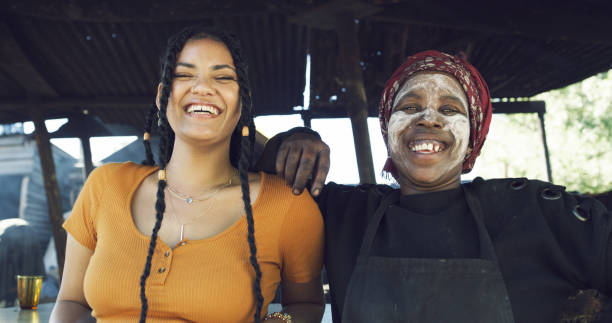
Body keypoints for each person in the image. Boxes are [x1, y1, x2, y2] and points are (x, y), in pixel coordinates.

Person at [265, 50, 612, 322]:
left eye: (449, 108)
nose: (428, 118)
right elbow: (233, 166)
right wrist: (294, 140)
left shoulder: (543, 213)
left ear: (474, 134)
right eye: (410, 106)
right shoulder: (346, 213)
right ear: (387, 128)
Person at [50, 26, 324, 323]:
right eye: (183, 75)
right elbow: (70, 301)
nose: (203, 87)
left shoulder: (286, 204)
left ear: (242, 101)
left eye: (222, 77)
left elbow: (307, 304)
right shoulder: (104, 186)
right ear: (161, 96)